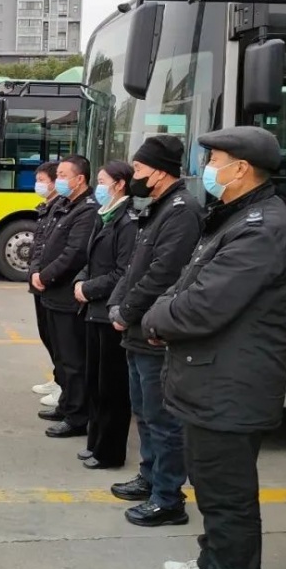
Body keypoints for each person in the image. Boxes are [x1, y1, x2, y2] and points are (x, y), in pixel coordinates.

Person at [143, 127, 286, 569]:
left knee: (228, 496)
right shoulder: (235, 217)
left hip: (231, 387)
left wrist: (155, 319)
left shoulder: (261, 229)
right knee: (212, 487)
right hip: (211, 381)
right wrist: (164, 309)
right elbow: (186, 284)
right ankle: (213, 562)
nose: (206, 168)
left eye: (214, 159)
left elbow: (202, 306)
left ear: (241, 169)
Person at [105, 135, 204, 527]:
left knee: (163, 420)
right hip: (136, 330)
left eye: (140, 168)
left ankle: (168, 498)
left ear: (160, 172)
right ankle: (149, 478)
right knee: (144, 414)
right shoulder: (159, 207)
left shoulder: (182, 211)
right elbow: (134, 268)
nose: (135, 175)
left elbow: (163, 273)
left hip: (153, 332)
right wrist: (117, 303)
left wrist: (127, 311)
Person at [73, 161, 138, 469]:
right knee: (95, 383)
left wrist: (88, 289)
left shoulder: (127, 222)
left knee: (112, 387)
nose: (98, 187)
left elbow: (123, 272)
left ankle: (110, 452)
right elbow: (91, 260)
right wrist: (80, 282)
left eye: (102, 181)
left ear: (119, 184)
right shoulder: (105, 215)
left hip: (108, 311)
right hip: (93, 311)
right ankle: (95, 444)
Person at [34, 155, 100, 438]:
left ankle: (77, 416)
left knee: (74, 360)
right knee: (61, 355)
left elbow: (74, 253)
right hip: (51, 293)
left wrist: (45, 275)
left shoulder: (87, 210)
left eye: (62, 175)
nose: (58, 180)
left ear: (79, 179)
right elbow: (43, 241)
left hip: (66, 295)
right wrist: (35, 270)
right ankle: (66, 404)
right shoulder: (64, 204)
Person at [27, 161, 63, 405]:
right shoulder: (48, 207)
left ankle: (63, 385)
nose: (38, 185)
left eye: (42, 180)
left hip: (51, 282)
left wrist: (43, 275)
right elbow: (39, 246)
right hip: (39, 278)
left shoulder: (62, 208)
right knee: (47, 334)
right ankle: (58, 378)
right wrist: (33, 271)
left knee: (58, 339)